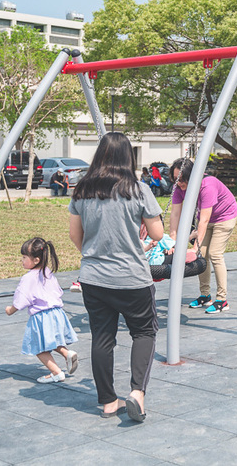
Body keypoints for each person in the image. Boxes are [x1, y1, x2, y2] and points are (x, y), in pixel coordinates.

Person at [68, 132, 165, 422]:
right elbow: (158, 233)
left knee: (102, 337)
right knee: (144, 332)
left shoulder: (82, 189)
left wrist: (95, 252)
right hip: (132, 277)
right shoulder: (138, 189)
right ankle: (137, 392)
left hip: (94, 277)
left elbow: (76, 235)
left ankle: (109, 401)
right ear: (128, 157)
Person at [169, 157, 237, 314]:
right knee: (202, 256)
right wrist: (172, 241)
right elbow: (174, 214)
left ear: (192, 176)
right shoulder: (178, 188)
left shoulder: (208, 185)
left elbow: (204, 220)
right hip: (206, 219)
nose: (179, 183)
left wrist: (194, 247)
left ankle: (222, 299)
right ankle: (205, 296)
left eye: (182, 179)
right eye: (176, 179)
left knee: (215, 254)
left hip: (224, 217)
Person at [5, 237, 78, 384]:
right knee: (52, 340)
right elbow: (57, 291)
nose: (22, 260)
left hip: (41, 316)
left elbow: (21, 299)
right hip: (57, 312)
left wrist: (10, 310)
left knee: (39, 347)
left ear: (36, 260)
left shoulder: (28, 278)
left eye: (24, 257)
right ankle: (66, 353)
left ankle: (56, 373)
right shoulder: (47, 272)